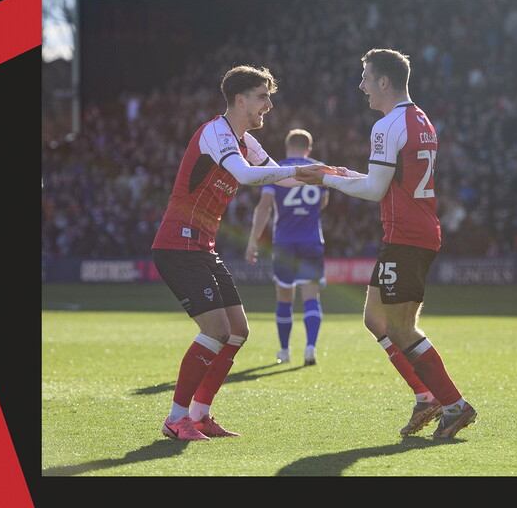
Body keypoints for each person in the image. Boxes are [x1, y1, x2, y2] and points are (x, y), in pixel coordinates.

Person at [294, 48, 477, 438]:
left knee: (401, 328)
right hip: (411, 232)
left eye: (365, 78)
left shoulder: (387, 125)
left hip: (406, 236)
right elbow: (388, 180)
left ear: (383, 81)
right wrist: (340, 172)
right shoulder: (420, 118)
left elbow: (376, 191)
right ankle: (426, 396)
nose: (361, 86)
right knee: (376, 320)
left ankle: (454, 404)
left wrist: (326, 179)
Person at [152, 65, 320, 441]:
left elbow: (283, 177)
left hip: (202, 247)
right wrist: (308, 174)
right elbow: (246, 175)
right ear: (240, 100)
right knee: (216, 330)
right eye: (263, 97)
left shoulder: (247, 141)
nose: (269, 105)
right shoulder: (216, 133)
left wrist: (330, 175)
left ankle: (199, 415)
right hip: (178, 244)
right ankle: (176, 418)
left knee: (238, 332)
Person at [245, 129, 328, 367]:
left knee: (284, 298)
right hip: (311, 240)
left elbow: (264, 206)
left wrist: (253, 240)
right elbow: (323, 202)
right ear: (308, 150)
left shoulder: (276, 169)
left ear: (287, 147)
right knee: (311, 295)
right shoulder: (319, 169)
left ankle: (284, 350)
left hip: (284, 242)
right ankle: (310, 348)